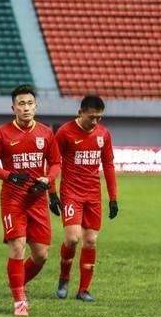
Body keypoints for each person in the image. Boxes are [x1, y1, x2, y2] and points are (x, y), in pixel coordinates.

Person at [0, 85, 61, 317]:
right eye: (21, 104)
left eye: (29, 103)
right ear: (13, 108)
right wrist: (9, 176)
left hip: (36, 199)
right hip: (12, 199)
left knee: (41, 255)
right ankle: (19, 301)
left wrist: (48, 180)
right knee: (17, 247)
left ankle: (17, 283)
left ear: (36, 106)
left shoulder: (46, 133)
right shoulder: (2, 133)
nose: (25, 108)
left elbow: (56, 163)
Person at [50, 96, 117, 302]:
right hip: (71, 193)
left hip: (93, 195)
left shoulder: (103, 134)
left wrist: (113, 198)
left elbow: (108, 165)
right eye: (92, 117)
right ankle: (64, 278)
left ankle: (83, 290)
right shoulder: (65, 132)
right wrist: (51, 193)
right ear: (80, 113)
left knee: (91, 241)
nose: (95, 122)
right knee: (72, 238)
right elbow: (53, 162)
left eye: (99, 118)